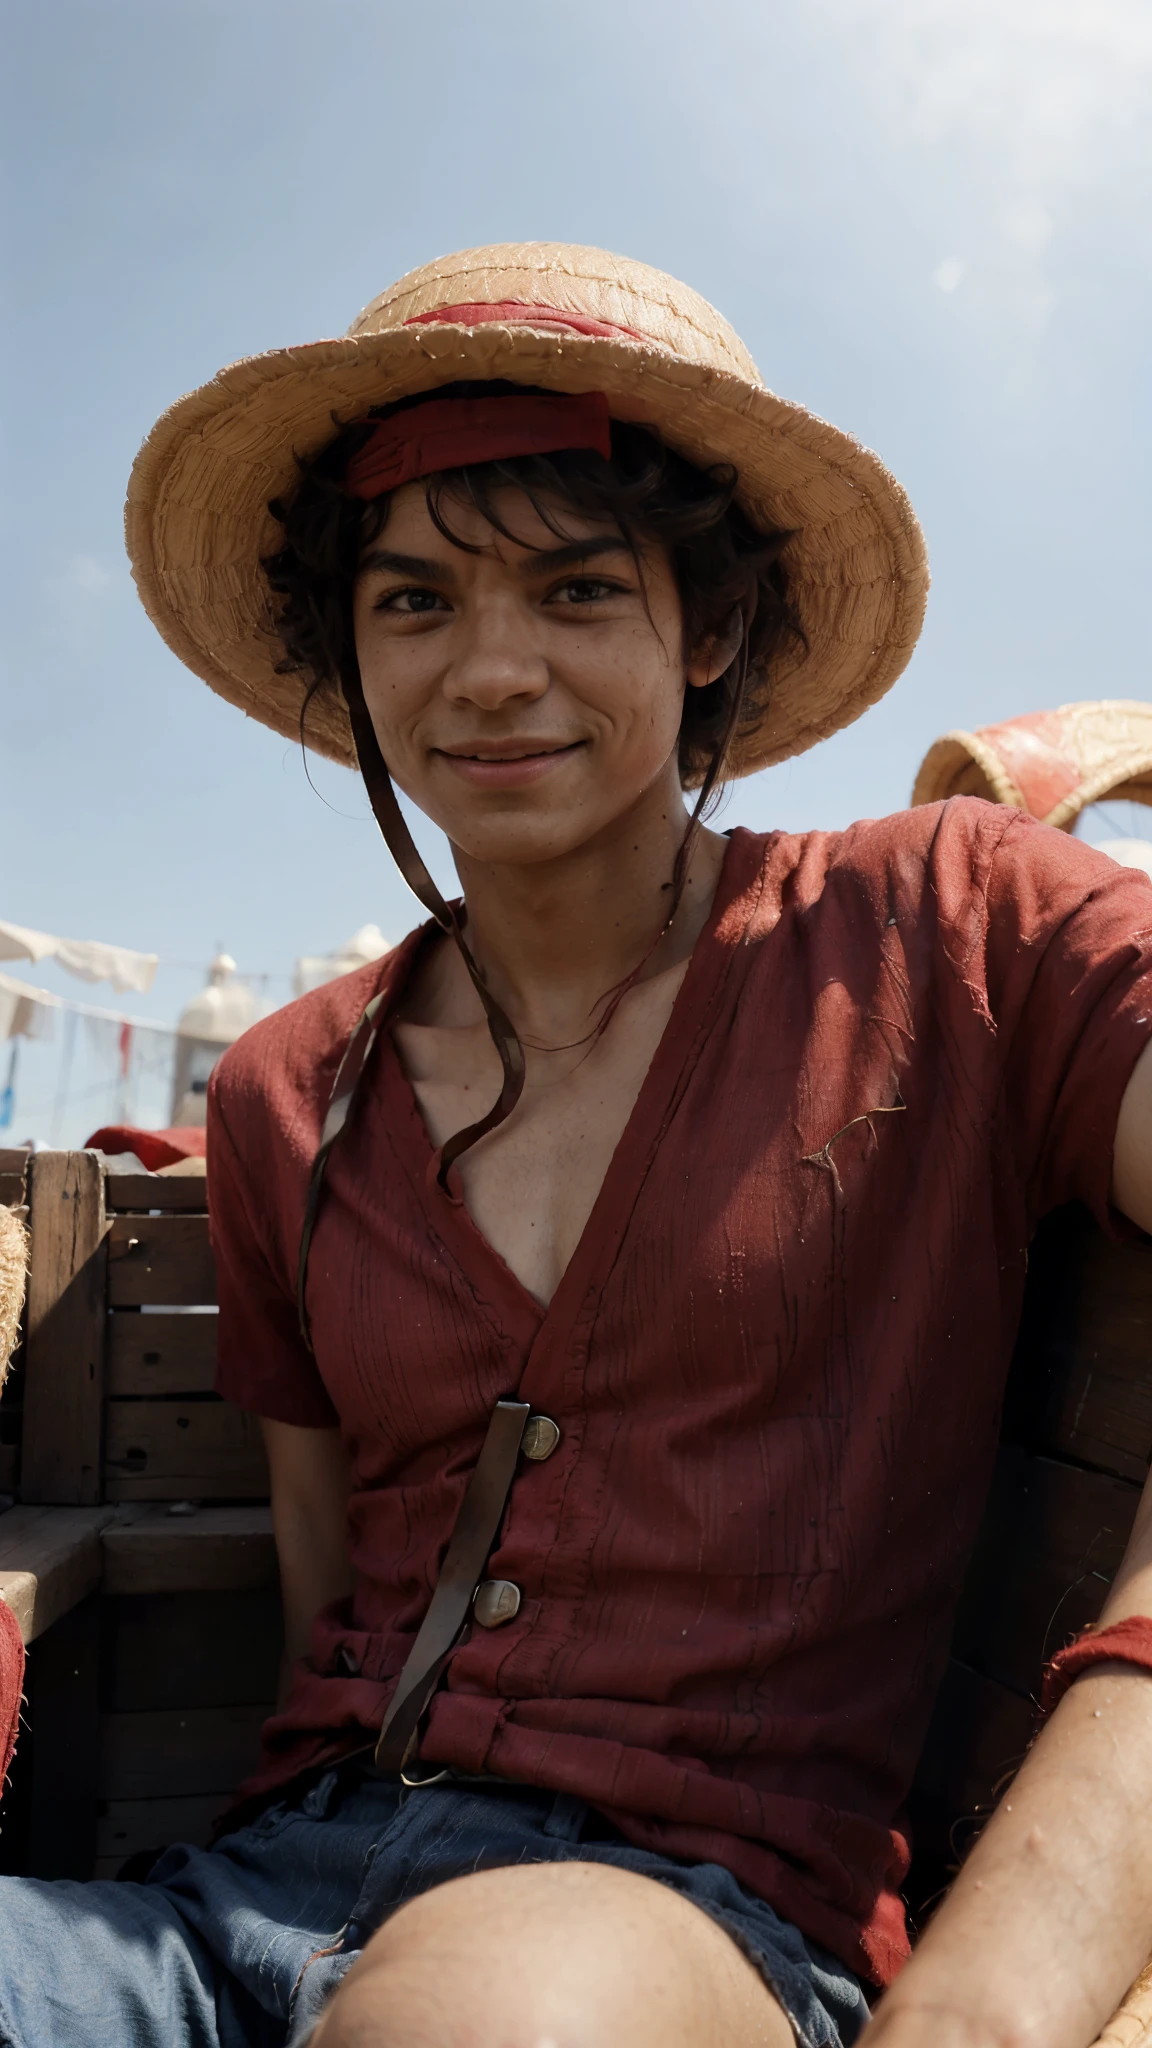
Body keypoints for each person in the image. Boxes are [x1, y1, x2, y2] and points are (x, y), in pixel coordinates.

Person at [2, 244, 1151, 2048]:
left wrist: (1006, 1984)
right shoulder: (282, 1093)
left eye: (577, 585)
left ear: (706, 631)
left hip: (689, 1937)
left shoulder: (947, 922)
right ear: (349, 653)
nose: (492, 668)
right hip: (230, 1915)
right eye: (411, 602)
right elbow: (332, 1605)